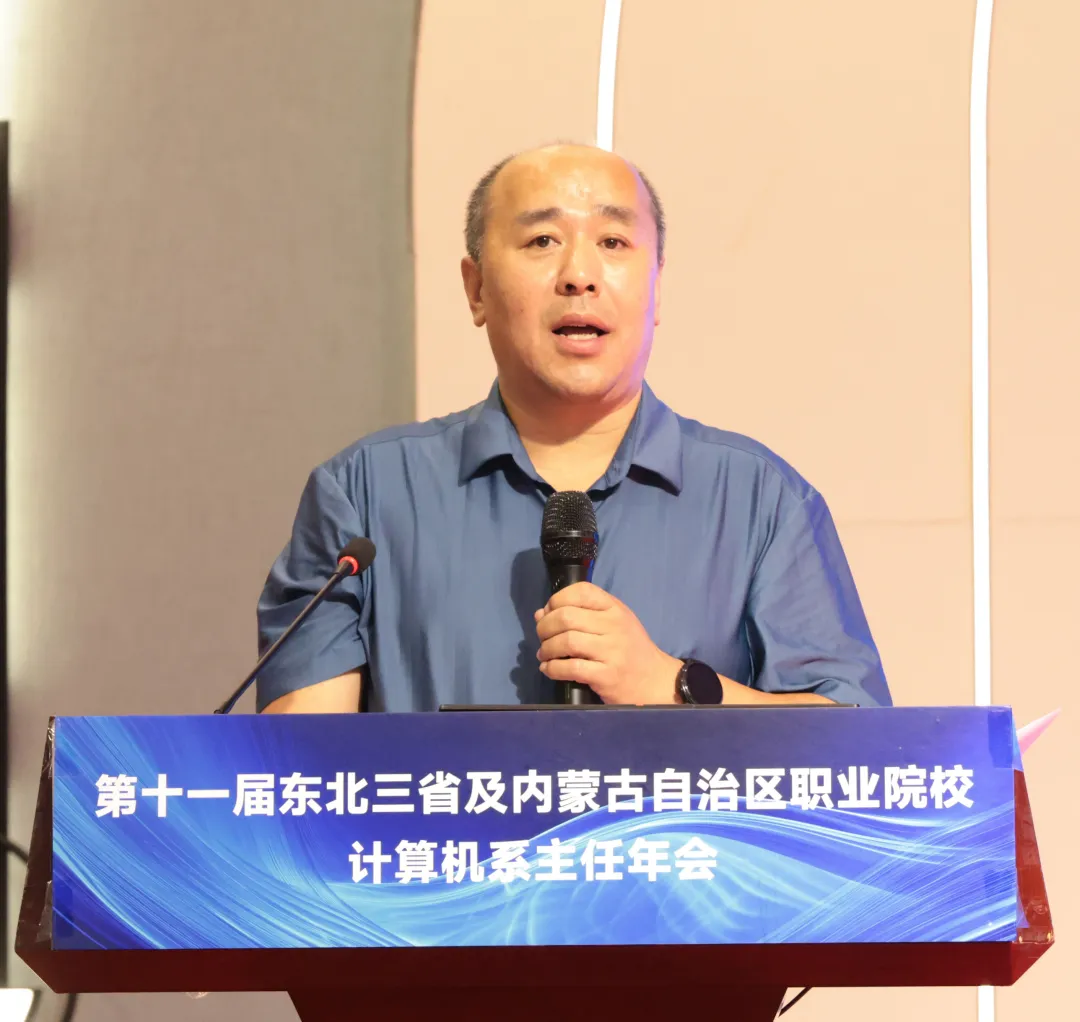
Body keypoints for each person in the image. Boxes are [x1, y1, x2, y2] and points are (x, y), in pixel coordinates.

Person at [256, 143, 891, 714]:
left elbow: (857, 751)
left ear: (656, 287)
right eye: (542, 241)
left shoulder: (759, 498)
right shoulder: (364, 494)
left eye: (613, 243)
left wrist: (669, 685)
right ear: (476, 289)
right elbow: (302, 771)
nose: (579, 275)